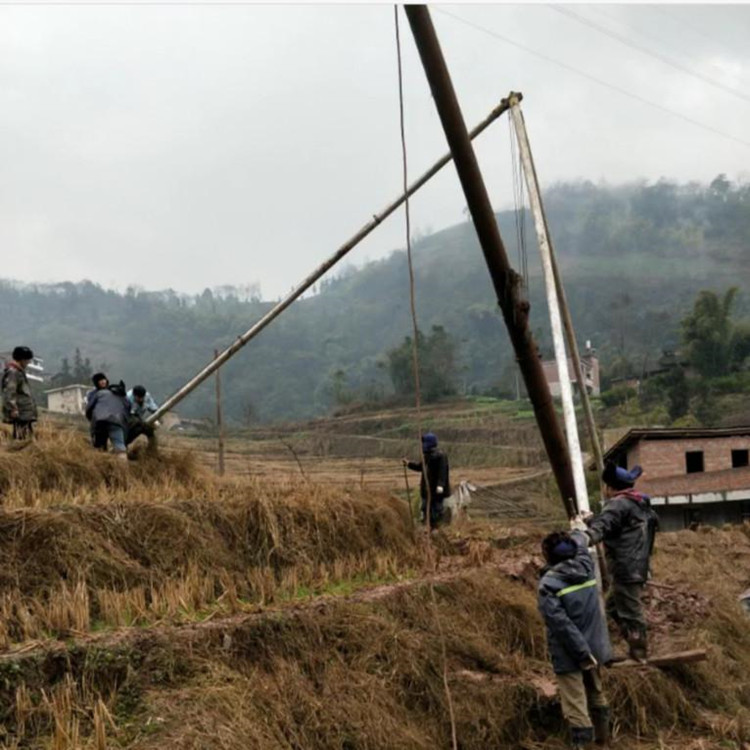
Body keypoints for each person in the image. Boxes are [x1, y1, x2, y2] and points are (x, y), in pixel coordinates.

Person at [539, 529, 612, 749]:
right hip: (596, 647)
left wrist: (582, 654)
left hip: (572, 654)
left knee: (575, 706)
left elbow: (562, 627)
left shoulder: (549, 586)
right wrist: (579, 528)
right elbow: (581, 541)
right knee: (596, 693)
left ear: (548, 555)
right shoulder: (586, 565)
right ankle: (604, 741)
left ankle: (584, 744)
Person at [582, 462, 659, 662]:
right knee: (613, 608)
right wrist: (593, 522)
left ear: (610, 487)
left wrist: (583, 537)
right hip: (639, 566)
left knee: (630, 612)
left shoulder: (618, 504)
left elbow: (605, 525)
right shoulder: (639, 503)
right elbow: (617, 527)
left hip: (625, 567)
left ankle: (639, 652)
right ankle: (634, 646)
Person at [402, 432, 450, 528]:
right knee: (425, 509)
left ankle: (436, 528)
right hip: (426, 490)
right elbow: (421, 467)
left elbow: (442, 471)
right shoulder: (427, 457)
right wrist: (408, 464)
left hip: (436, 491)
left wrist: (440, 485)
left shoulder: (440, 456)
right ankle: (427, 526)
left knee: (436, 510)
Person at [85, 373, 131, 459]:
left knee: (100, 448)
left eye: (103, 380)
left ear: (107, 380)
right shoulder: (118, 392)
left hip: (100, 422)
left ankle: (100, 467)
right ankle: (123, 470)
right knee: (120, 447)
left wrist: (92, 421)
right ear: (96, 383)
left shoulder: (96, 394)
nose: (102, 382)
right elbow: (128, 406)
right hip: (116, 422)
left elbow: (89, 409)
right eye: (100, 381)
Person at [1, 346, 38, 440]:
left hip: (25, 413)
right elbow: (10, 392)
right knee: (21, 438)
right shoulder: (13, 373)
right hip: (20, 413)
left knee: (27, 437)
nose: (28, 362)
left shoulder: (19, 372)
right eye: (27, 360)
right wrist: (13, 409)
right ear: (21, 359)